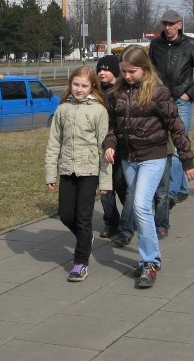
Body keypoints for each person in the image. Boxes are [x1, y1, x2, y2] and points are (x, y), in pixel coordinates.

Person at [103, 46, 194, 289]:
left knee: (141, 205)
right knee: (138, 206)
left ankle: (150, 262)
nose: (127, 76)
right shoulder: (118, 93)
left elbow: (176, 127)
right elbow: (112, 125)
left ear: (144, 69)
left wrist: (187, 160)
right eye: (123, 71)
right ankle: (150, 256)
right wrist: (110, 144)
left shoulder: (158, 92)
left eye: (132, 71)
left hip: (153, 157)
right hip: (128, 159)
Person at [45, 67, 111, 282]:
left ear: (92, 87)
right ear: (70, 84)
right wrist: (50, 174)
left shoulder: (99, 111)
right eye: (76, 84)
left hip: (89, 171)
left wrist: (105, 181)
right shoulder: (63, 109)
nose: (79, 89)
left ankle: (80, 262)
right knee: (66, 215)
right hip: (67, 169)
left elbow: (105, 147)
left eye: (84, 86)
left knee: (83, 218)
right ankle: (86, 239)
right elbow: (54, 142)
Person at [148, 9, 194, 238]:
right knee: (165, 143)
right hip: (160, 99)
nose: (168, 27)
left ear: (180, 25)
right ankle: (181, 188)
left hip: (181, 101)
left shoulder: (191, 45)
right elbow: (150, 70)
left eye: (172, 24)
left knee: (178, 143)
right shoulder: (156, 46)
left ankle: (172, 191)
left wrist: (188, 95)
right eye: (165, 23)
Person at [95, 55, 134, 242]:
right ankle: (111, 223)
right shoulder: (94, 93)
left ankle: (128, 223)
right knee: (105, 190)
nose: (101, 73)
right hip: (99, 149)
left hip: (119, 149)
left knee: (122, 187)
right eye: (99, 70)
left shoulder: (121, 92)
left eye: (106, 69)